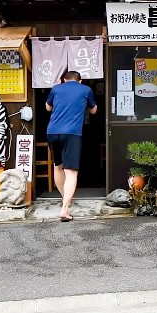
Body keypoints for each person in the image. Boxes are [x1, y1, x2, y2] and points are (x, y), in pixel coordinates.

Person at [45, 70, 97, 221]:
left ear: (64, 80)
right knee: (71, 172)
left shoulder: (56, 88)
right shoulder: (85, 89)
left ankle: (65, 200)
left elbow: (48, 108)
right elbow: (93, 110)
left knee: (57, 166)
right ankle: (64, 210)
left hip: (52, 132)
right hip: (72, 133)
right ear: (80, 81)